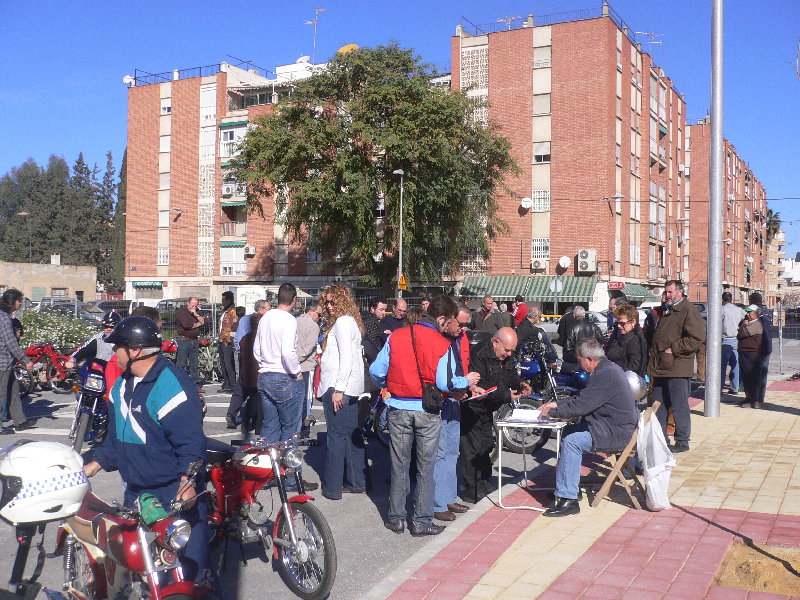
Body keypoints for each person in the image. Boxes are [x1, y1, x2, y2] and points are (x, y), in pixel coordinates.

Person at [83, 316, 208, 581]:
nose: (113, 352)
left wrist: (187, 481)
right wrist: (95, 463)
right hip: (136, 494)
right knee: (144, 574)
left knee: (186, 577)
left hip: (171, 493)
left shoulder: (170, 384)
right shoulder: (120, 386)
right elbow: (118, 438)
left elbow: (189, 440)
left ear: (136, 350)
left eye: (117, 346)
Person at [369, 295, 461, 536]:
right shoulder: (443, 344)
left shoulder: (397, 336)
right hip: (427, 411)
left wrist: (389, 383)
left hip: (398, 408)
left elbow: (376, 371)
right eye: (448, 322)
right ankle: (421, 520)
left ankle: (396, 518)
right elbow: (444, 382)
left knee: (399, 465)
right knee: (425, 467)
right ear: (440, 319)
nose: (447, 327)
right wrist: (464, 381)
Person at [539, 339, 638, 517]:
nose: (579, 365)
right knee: (568, 432)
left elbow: (583, 404)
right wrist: (556, 404)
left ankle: (568, 500)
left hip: (616, 432)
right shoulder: (606, 369)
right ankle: (569, 488)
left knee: (572, 441)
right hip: (612, 426)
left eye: (580, 361)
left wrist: (552, 413)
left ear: (590, 359)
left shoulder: (606, 374)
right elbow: (583, 397)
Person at [460, 327, 531, 504]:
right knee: (472, 449)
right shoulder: (479, 354)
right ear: (495, 342)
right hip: (473, 407)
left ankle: (484, 482)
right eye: (506, 350)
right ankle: (472, 489)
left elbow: (510, 375)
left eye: (511, 351)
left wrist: (520, 384)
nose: (508, 354)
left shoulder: (505, 356)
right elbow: (482, 387)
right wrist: (506, 395)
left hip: (487, 409)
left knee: (486, 445)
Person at [318, 285, 367, 500]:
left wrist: (338, 389)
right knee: (349, 436)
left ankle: (333, 488)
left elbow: (345, 358)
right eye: (326, 302)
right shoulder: (350, 322)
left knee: (336, 438)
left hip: (339, 387)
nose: (329, 306)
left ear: (342, 301)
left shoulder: (342, 323)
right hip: (348, 387)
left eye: (332, 302)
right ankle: (357, 483)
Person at [648, 280, 705, 453]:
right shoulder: (668, 310)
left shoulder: (687, 309)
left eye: (670, 292)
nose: (667, 295)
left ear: (680, 292)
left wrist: (673, 349)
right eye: (666, 292)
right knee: (657, 405)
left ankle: (682, 441)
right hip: (661, 367)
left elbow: (697, 337)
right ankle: (661, 440)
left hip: (678, 368)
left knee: (679, 406)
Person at [433, 304, 479, 522]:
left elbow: (460, 367)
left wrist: (468, 388)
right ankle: (438, 503)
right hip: (442, 400)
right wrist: (460, 385)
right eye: (460, 324)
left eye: (466, 325)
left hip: (454, 399)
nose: (463, 329)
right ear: (448, 319)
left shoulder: (458, 339)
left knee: (452, 452)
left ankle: (448, 496)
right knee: (441, 453)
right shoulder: (439, 341)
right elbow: (441, 379)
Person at [254, 283, 306, 444]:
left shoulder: (266, 317)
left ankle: (269, 466)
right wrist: (297, 372)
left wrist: (265, 363)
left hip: (265, 374)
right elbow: (287, 352)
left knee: (270, 426)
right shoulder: (289, 320)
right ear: (294, 300)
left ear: (278, 298)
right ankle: (286, 466)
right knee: (290, 429)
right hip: (284, 376)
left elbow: (256, 349)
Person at [227, 299, 270, 428]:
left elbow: (238, 339)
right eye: (268, 308)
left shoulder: (245, 319)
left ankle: (231, 413)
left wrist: (241, 353)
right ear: (261, 309)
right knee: (256, 389)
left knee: (242, 385)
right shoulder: (260, 321)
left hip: (244, 355)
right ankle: (255, 419)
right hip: (256, 357)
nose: (270, 310)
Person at [0, 289, 35, 431]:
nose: (21, 303)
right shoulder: (3, 318)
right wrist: (25, 360)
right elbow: (11, 342)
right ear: (12, 302)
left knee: (13, 389)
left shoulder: (5, 316)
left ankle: (20, 421)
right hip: (2, 363)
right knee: (1, 393)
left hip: (8, 362)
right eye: (19, 300)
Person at [737, 305, 769, 409]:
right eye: (747, 312)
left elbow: (741, 334)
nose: (747, 314)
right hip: (745, 352)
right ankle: (749, 397)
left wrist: (742, 326)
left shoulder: (757, 324)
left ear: (756, 313)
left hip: (752, 354)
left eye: (750, 312)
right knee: (746, 377)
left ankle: (754, 400)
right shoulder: (750, 322)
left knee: (752, 377)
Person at [296, 304, 323, 425]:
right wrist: (298, 359)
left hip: (293, 366)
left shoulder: (295, 321)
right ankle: (304, 428)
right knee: (306, 399)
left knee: (296, 399)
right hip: (306, 366)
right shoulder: (313, 326)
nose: (320, 317)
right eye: (319, 314)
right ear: (311, 312)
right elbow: (309, 347)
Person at [605, 304, 647, 375]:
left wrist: (613, 365)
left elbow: (636, 367)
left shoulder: (635, 339)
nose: (619, 326)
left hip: (627, 380)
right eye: (617, 323)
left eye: (622, 323)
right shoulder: (618, 335)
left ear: (633, 322)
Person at [747, 292, 773, 406]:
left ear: (751, 301)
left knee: (753, 374)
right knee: (762, 374)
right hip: (766, 346)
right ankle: (760, 397)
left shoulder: (754, 311)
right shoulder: (766, 311)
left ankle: (754, 398)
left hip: (756, 347)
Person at [562, 306, 605, 372]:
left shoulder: (571, 329)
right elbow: (601, 342)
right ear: (584, 314)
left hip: (578, 364)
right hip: (593, 362)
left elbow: (567, 350)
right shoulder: (594, 326)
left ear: (574, 315)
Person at [176, 297, 205, 392]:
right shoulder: (182, 312)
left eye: (196, 305)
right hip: (184, 339)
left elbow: (203, 322)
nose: (194, 307)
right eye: (192, 305)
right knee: (181, 363)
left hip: (194, 340)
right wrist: (198, 324)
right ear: (188, 303)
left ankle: (195, 384)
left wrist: (196, 314)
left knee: (194, 364)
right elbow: (187, 325)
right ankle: (179, 384)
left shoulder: (197, 312)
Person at [721, 292, 746, 395]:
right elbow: (746, 317)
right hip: (735, 338)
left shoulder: (722, 309)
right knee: (735, 365)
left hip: (724, 339)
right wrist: (740, 327)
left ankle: (719, 388)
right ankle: (735, 387)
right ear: (731, 299)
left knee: (722, 366)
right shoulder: (738, 309)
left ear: (723, 299)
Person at [217, 291, 238, 393]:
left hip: (227, 341)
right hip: (221, 339)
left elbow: (234, 327)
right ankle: (226, 383)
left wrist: (231, 340)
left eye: (224, 300)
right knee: (223, 363)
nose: (222, 301)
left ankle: (233, 385)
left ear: (229, 300)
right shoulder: (225, 311)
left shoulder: (233, 312)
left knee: (228, 363)